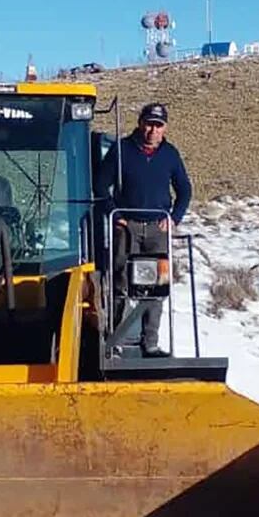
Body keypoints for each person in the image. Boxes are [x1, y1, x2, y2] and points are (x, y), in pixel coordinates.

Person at [95, 102, 192, 358]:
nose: (152, 130)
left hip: (158, 230)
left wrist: (173, 218)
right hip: (127, 228)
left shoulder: (171, 154)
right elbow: (100, 186)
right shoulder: (122, 149)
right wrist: (114, 215)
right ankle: (114, 340)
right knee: (120, 283)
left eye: (158, 125)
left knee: (157, 288)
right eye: (149, 124)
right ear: (140, 123)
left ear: (165, 128)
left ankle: (150, 343)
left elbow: (185, 190)